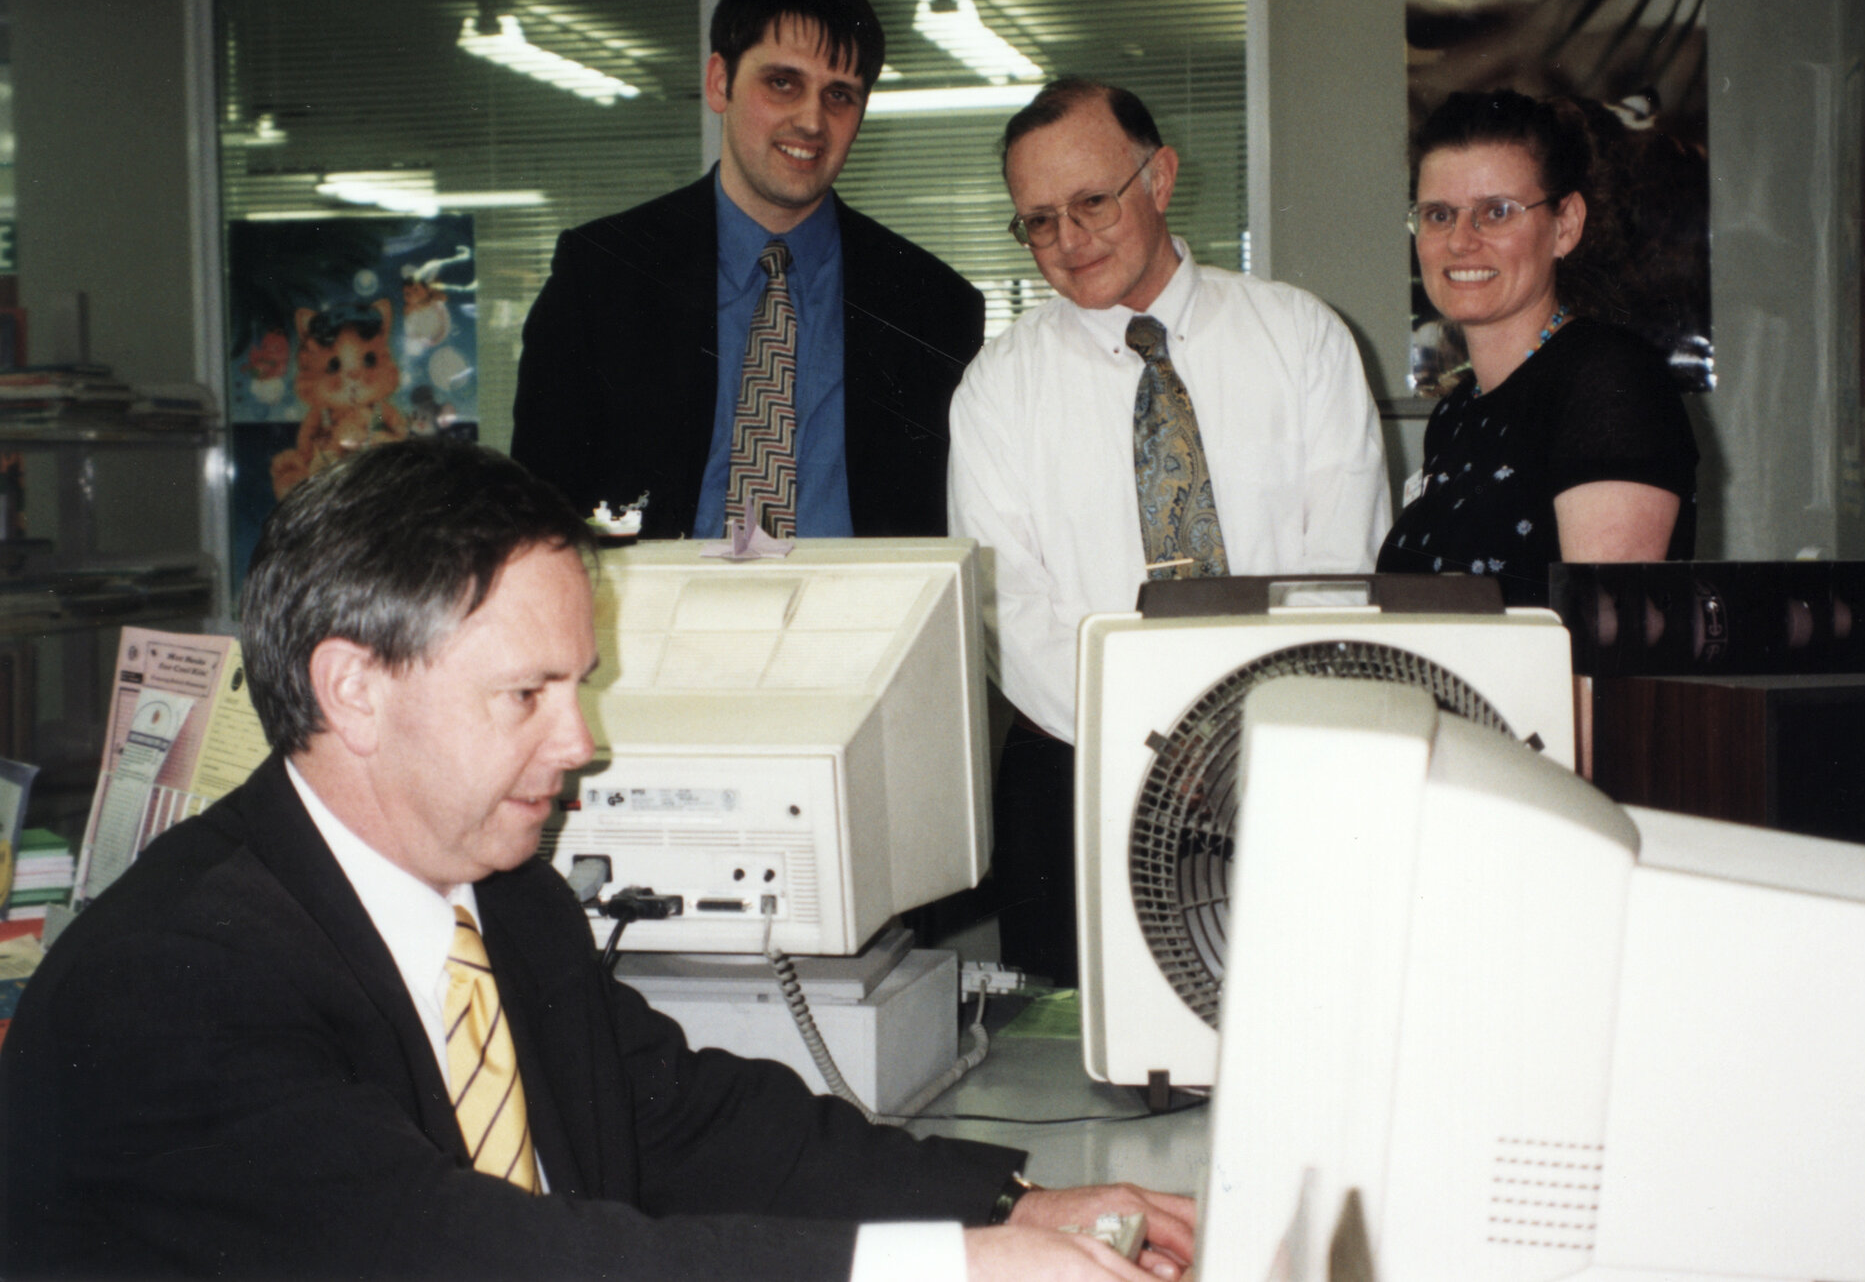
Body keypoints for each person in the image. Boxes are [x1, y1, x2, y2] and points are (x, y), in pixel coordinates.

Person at [0, 440, 1196, 1281]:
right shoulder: (175, 980)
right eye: (526, 694)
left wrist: (1010, 1204)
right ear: (351, 690)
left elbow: (680, 1118)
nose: (581, 744)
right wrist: (958, 1271)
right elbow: (479, 1258)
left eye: (579, 688)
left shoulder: (502, 896)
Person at [947, 79, 1392, 983]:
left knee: (1296, 1026)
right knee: (1077, 1072)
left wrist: (1230, 738)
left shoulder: (1300, 337)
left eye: (1090, 203)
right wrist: (1161, 738)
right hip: (1077, 769)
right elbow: (1010, 610)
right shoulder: (998, 388)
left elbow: (1342, 561)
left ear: (1159, 177)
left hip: (1286, 752)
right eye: (1036, 221)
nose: (1068, 242)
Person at [511, 0, 984, 540]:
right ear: (719, 82)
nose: (811, 120)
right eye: (782, 83)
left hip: (866, 625)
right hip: (658, 623)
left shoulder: (932, 305)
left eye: (840, 95)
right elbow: (537, 516)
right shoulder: (603, 276)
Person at [1375, 89, 1700, 607]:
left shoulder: (1609, 383)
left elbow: (1595, 652)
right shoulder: (1457, 414)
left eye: (1496, 211)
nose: (1461, 240)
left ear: (1565, 225)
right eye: (1439, 214)